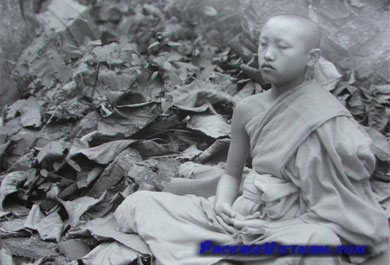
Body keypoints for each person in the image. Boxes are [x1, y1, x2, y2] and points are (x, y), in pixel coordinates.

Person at [114, 15, 389, 265]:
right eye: (263, 45)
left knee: (320, 243)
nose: (268, 55)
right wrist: (223, 204)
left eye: (282, 47)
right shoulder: (247, 108)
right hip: (243, 219)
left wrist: (279, 228)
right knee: (138, 203)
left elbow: (340, 206)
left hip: (296, 224)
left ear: (312, 57)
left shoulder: (327, 118)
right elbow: (232, 175)